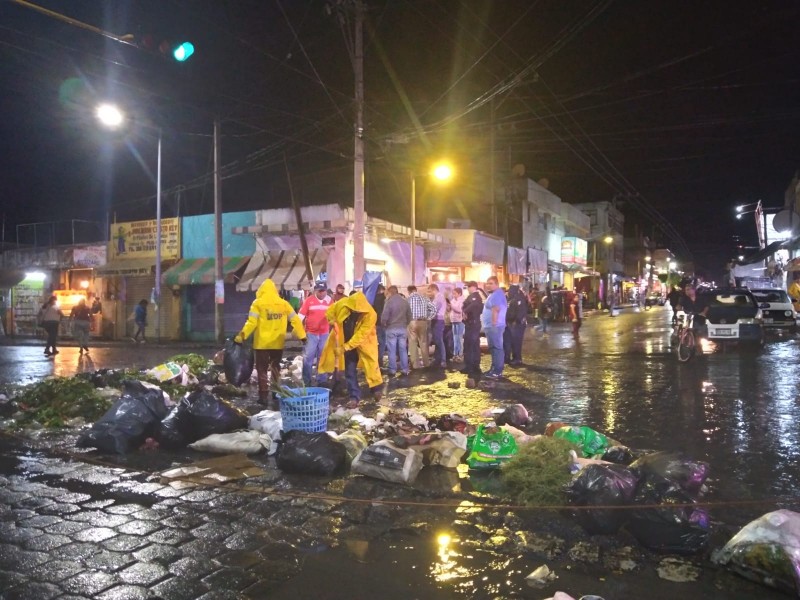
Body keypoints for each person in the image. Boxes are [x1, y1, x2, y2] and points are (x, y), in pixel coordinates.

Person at [234, 279, 307, 408]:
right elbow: (295, 319)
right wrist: (302, 336)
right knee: (275, 367)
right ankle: (275, 391)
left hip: (262, 344)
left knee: (262, 370)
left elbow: (251, 323)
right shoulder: (283, 304)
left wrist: (241, 336)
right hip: (277, 343)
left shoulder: (258, 303)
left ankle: (263, 396)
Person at [318, 291, 382, 408]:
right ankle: (354, 397)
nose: (356, 312)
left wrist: (345, 348)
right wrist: (332, 320)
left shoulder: (371, 314)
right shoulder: (343, 303)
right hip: (346, 341)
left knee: (371, 366)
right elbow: (330, 311)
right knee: (350, 370)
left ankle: (376, 389)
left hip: (365, 343)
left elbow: (361, 335)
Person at [298, 282, 332, 385]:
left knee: (323, 357)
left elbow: (334, 315)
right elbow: (300, 317)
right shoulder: (309, 301)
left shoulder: (330, 301)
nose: (322, 293)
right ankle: (307, 381)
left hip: (324, 334)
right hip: (311, 334)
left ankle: (321, 380)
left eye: (323, 291)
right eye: (319, 291)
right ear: (315, 291)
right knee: (308, 358)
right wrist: (300, 333)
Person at [381, 285, 412, 376]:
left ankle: (392, 370)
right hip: (402, 328)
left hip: (391, 328)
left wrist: (384, 324)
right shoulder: (405, 301)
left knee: (392, 350)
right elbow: (410, 315)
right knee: (403, 349)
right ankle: (405, 369)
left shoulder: (389, 302)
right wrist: (405, 324)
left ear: (390, 292)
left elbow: (384, 316)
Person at [481, 276, 507, 378]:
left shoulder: (496, 295)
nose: (488, 285)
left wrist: (494, 323)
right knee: (493, 348)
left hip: (494, 326)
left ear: (497, 284)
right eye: (487, 283)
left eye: (491, 283)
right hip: (492, 326)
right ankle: (493, 368)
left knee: (496, 348)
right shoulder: (493, 294)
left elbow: (496, 309)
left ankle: (497, 371)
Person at [407, 285, 436, 369]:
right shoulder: (424, 298)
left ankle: (415, 365)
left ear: (409, 291)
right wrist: (428, 318)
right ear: (416, 290)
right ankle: (426, 363)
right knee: (423, 342)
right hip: (423, 321)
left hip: (411, 322)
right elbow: (434, 309)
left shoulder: (407, 299)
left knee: (412, 343)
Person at [462, 281, 484, 382]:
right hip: (470, 323)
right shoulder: (470, 296)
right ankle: (469, 366)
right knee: (469, 345)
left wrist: (465, 311)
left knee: (472, 345)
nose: (468, 289)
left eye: (469, 287)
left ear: (474, 287)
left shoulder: (476, 296)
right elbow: (464, 306)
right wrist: (464, 311)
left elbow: (474, 306)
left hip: (473, 324)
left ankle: (473, 367)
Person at [504, 285, 528, 366]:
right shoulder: (510, 299)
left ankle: (517, 359)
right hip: (511, 323)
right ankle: (511, 358)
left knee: (516, 342)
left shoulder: (518, 299)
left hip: (517, 324)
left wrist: (516, 321)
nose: (508, 292)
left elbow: (521, 312)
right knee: (511, 342)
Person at [428, 284, 447, 368]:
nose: (429, 293)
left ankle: (443, 360)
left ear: (433, 290)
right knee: (436, 340)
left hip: (438, 321)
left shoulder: (439, 297)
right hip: (436, 320)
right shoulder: (436, 297)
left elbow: (434, 309)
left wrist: (427, 317)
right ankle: (438, 359)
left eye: (429, 291)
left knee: (439, 340)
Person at [372, 284, 387, 367]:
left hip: (375, 323)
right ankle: (380, 358)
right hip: (383, 323)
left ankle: (376, 358)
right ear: (381, 290)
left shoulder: (372, 299)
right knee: (382, 342)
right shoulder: (383, 299)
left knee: (377, 342)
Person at [449, 287, 465, 361]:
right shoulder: (452, 300)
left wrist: (452, 306)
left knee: (459, 338)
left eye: (455, 293)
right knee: (455, 338)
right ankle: (455, 355)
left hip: (459, 321)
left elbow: (459, 310)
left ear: (459, 294)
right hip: (453, 321)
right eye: (453, 293)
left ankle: (460, 354)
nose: (453, 295)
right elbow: (451, 310)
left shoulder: (462, 301)